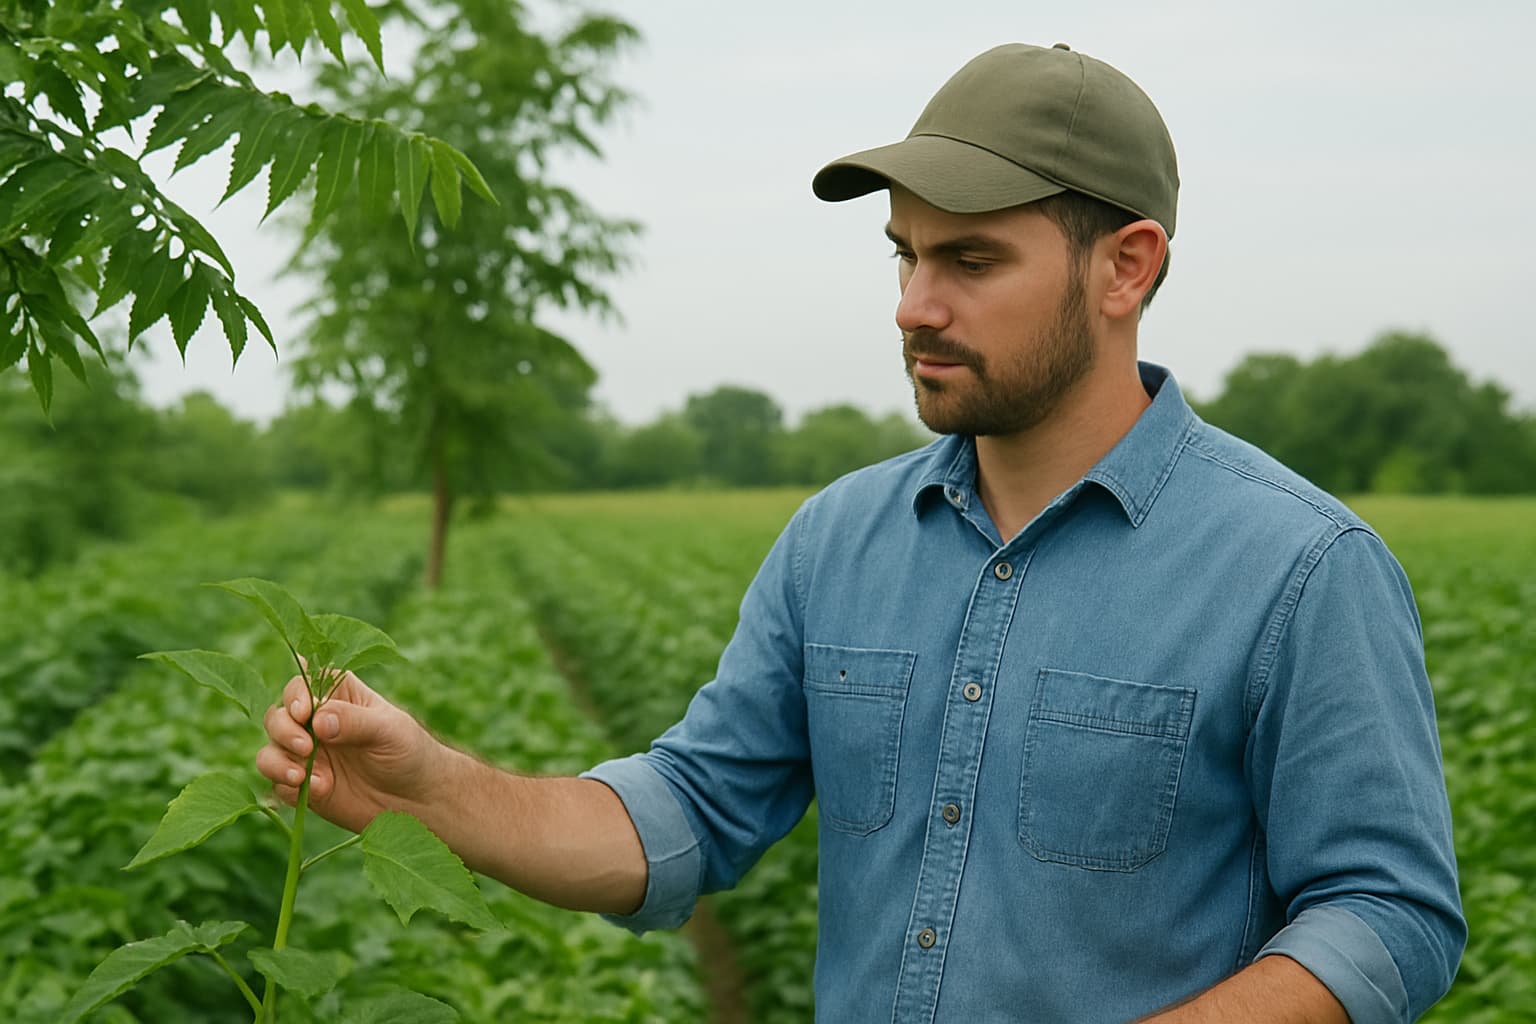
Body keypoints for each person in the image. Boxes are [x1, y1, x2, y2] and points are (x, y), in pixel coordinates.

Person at [259, 42, 1465, 1023]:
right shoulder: (840, 541)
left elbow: (1389, 912)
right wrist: (433, 787)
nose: (914, 305)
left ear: (1126, 267)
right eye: (904, 254)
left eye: (971, 260)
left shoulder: (1301, 569)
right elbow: (682, 814)